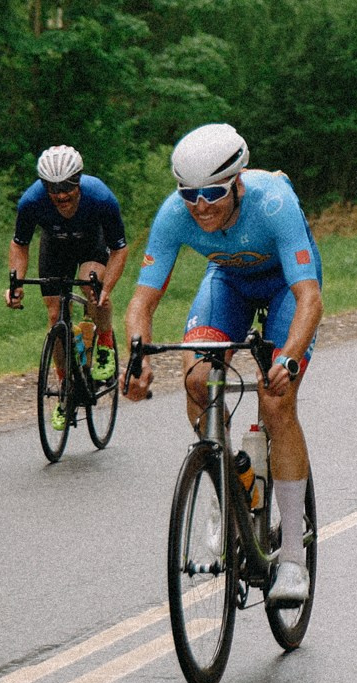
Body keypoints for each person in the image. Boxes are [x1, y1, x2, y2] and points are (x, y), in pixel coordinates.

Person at [124, 123, 321, 607]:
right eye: (189, 194)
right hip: (227, 285)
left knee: (276, 401)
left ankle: (293, 556)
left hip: (284, 290)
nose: (201, 205)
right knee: (196, 382)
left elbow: (309, 298)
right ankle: (227, 487)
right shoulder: (175, 214)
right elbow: (142, 301)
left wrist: (290, 359)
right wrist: (135, 355)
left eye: (213, 192)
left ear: (237, 182)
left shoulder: (274, 202)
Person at [7, 144, 130, 431]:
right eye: (53, 187)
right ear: (44, 185)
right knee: (54, 318)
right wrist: (15, 283)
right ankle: (65, 390)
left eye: (67, 186)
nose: (61, 194)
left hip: (91, 245)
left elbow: (119, 250)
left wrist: (106, 288)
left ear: (79, 180)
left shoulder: (100, 197)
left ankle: (106, 346)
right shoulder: (31, 202)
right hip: (55, 248)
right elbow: (20, 244)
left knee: (93, 289)